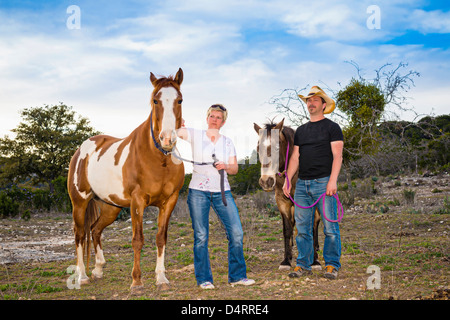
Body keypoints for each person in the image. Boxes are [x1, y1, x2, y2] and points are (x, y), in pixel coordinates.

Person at [177, 104, 255, 289]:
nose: (214, 119)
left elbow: (235, 169)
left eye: (218, 117)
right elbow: (175, 131)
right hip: (198, 192)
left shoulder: (227, 142)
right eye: (212, 116)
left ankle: (237, 276)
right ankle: (204, 279)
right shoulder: (195, 134)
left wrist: (225, 166)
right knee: (201, 235)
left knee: (236, 232)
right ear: (207, 118)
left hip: (222, 191)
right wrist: (178, 122)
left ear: (223, 122)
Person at [282, 86, 344, 280]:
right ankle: (303, 264)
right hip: (302, 185)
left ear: (324, 105)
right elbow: (295, 158)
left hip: (324, 183)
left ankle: (332, 265)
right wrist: (287, 180)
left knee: (330, 228)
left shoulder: (332, 128)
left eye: (315, 100)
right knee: (302, 229)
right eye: (308, 100)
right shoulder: (301, 130)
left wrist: (332, 181)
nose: (311, 103)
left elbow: (338, 156)